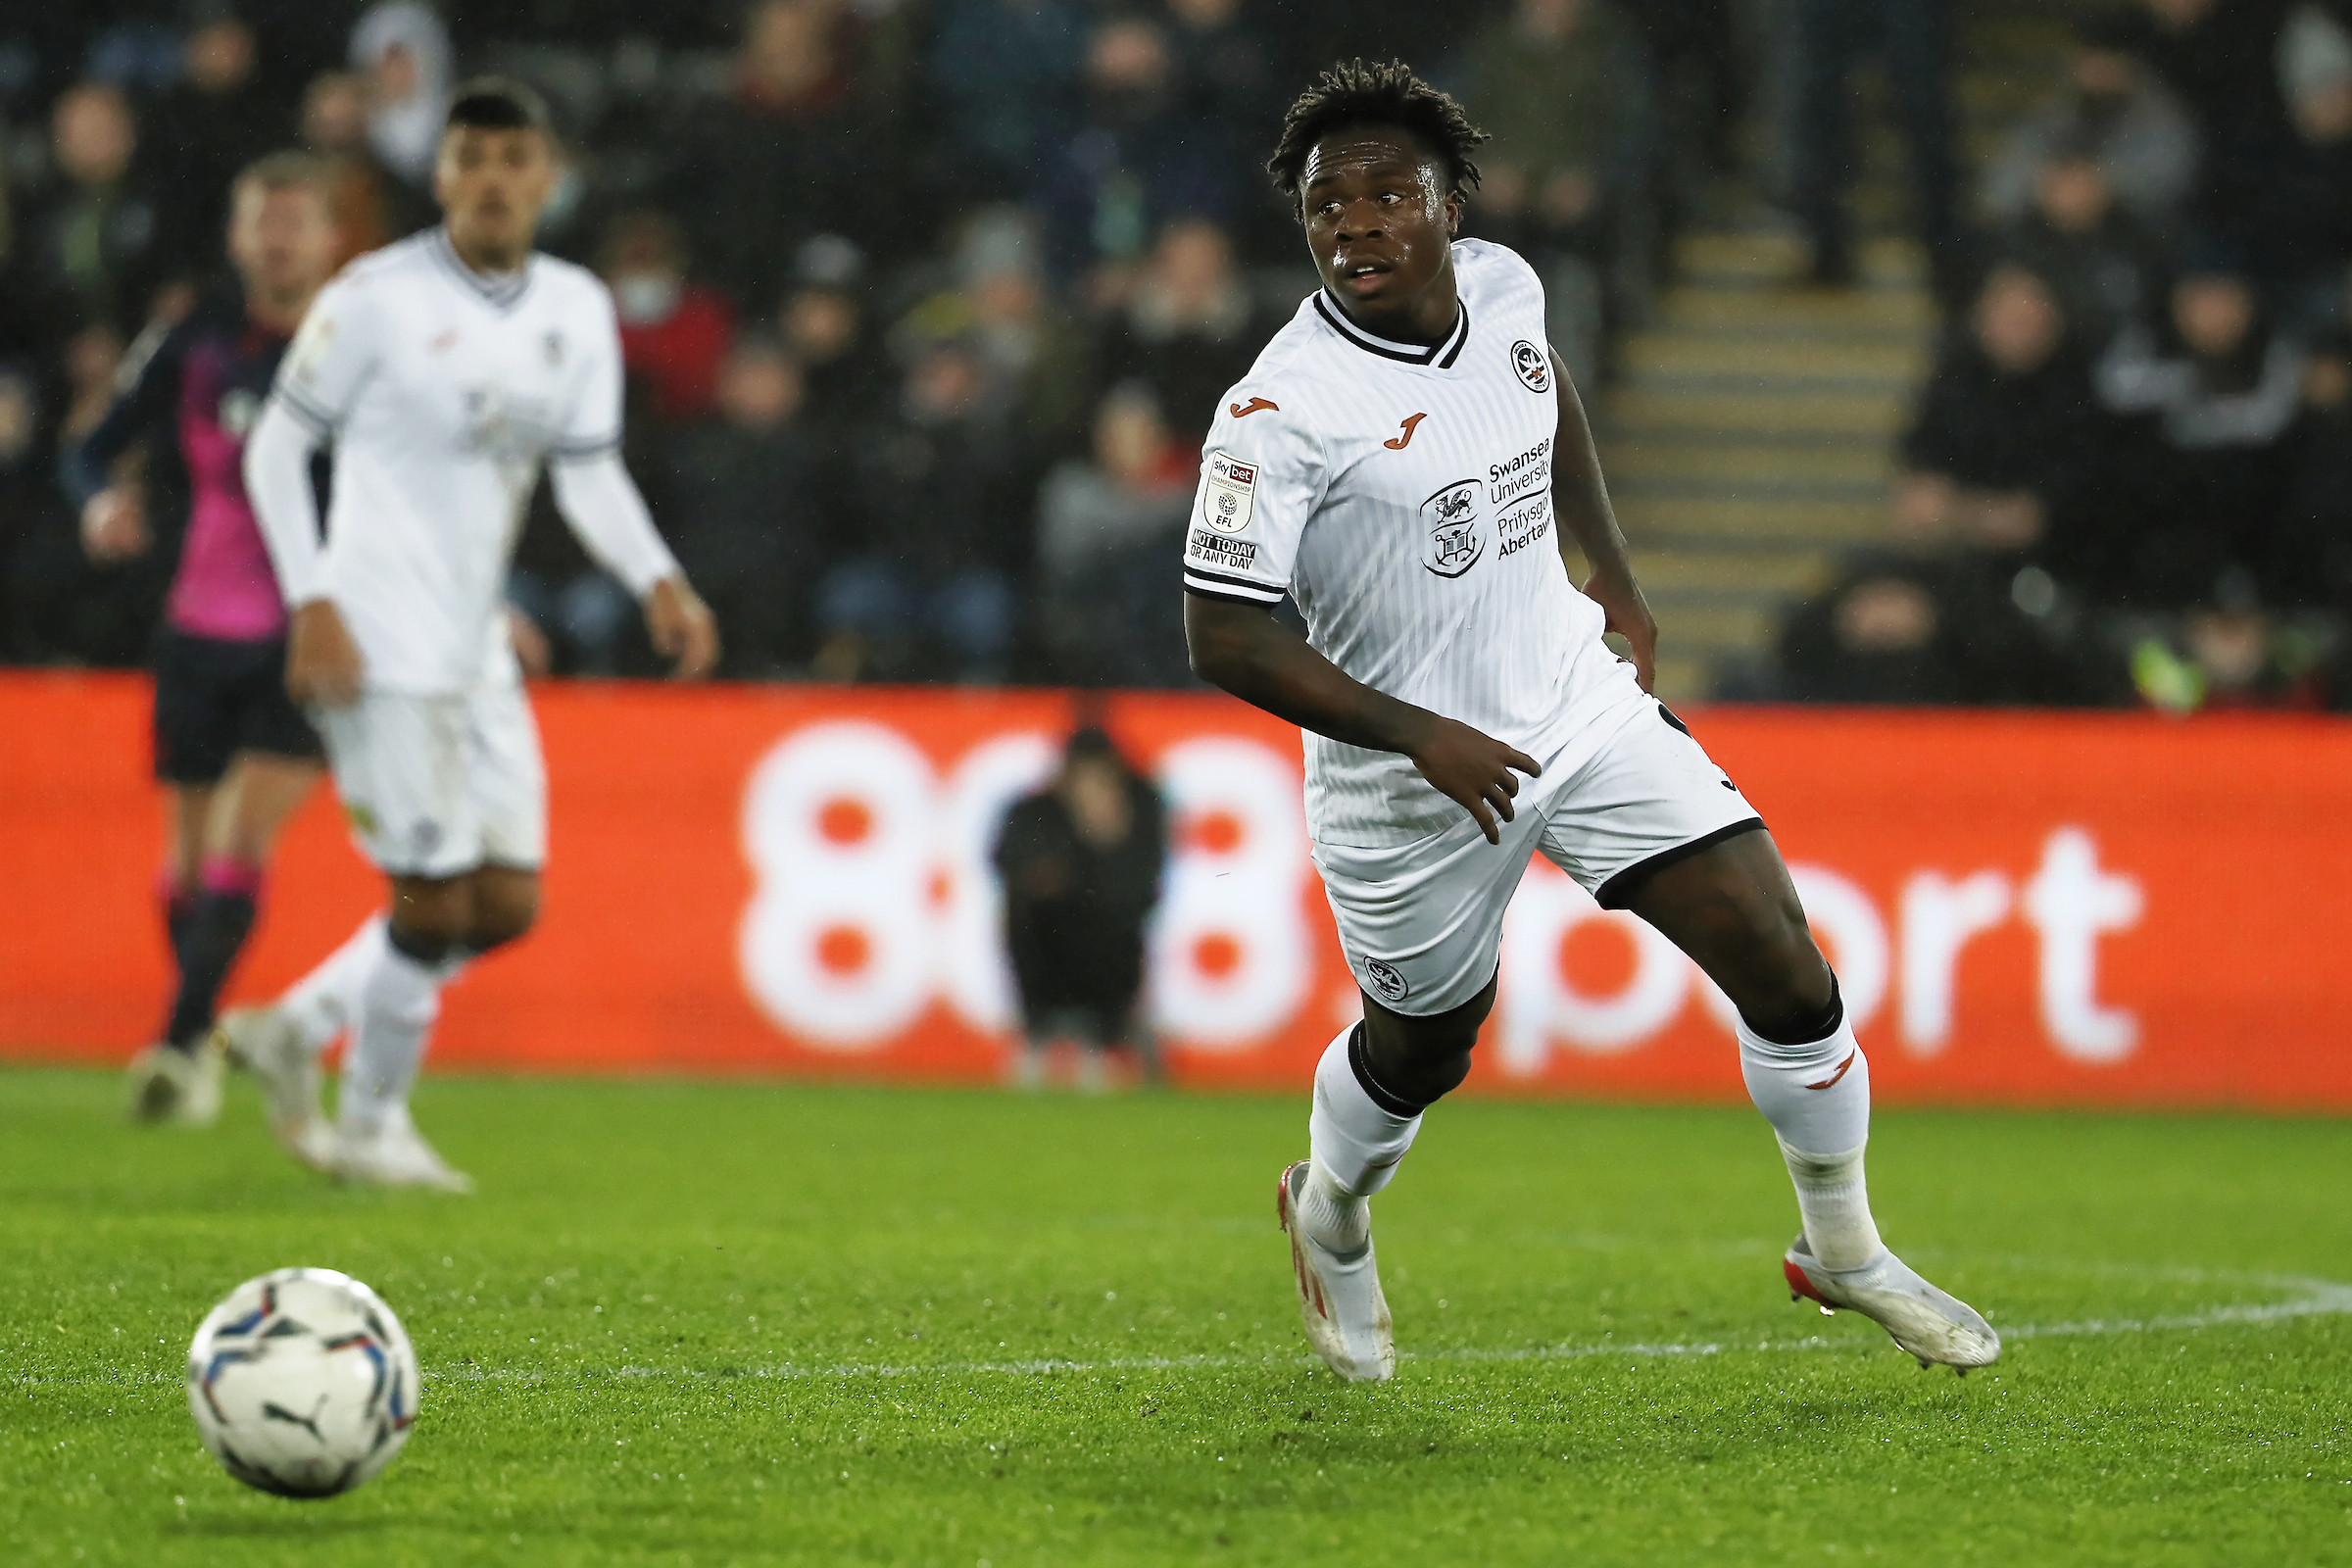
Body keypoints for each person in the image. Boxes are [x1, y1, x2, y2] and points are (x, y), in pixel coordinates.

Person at [1179, 62, 1997, 1382]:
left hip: (1571, 700)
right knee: (1422, 1050)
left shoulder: (1504, 285)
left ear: (1453, 204)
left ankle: (1841, 1249)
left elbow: (1539, 385)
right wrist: (1419, 736)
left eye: (1392, 195)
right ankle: (1328, 1210)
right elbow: (1223, 636)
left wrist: (1605, 564)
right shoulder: (1276, 416)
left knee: (1780, 953)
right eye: (1331, 207)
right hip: (1411, 785)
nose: (1359, 225)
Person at [225, 80, 718, 1190]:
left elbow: (585, 469)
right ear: (441, 175)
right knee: (434, 894)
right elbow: (275, 451)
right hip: (371, 631)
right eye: (472, 158)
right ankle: (371, 1130)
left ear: (549, 177)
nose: (493, 179)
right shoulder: (374, 298)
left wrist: (659, 580)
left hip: (471, 642)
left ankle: (301, 1024)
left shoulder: (576, 307)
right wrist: (312, 600)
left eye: (515, 158)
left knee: (505, 901)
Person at [61, 154, 343, 1125]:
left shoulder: (359, 348)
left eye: (297, 222)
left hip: (307, 631)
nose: (279, 239)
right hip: (195, 624)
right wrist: (101, 500)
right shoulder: (192, 337)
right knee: (184, 864)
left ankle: (179, 1044)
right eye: (265, 221)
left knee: (238, 838)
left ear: (328, 240)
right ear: (238, 236)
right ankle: (199, 1034)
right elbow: (93, 446)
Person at [992, 726, 1168, 1090]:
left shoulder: (1140, 809)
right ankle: (1039, 1033)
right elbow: (1005, 860)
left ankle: (1108, 1037)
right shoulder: (1035, 810)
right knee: (1027, 912)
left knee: (1109, 917)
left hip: (1107, 953)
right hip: (1048, 952)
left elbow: (1143, 890)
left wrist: (1105, 836)